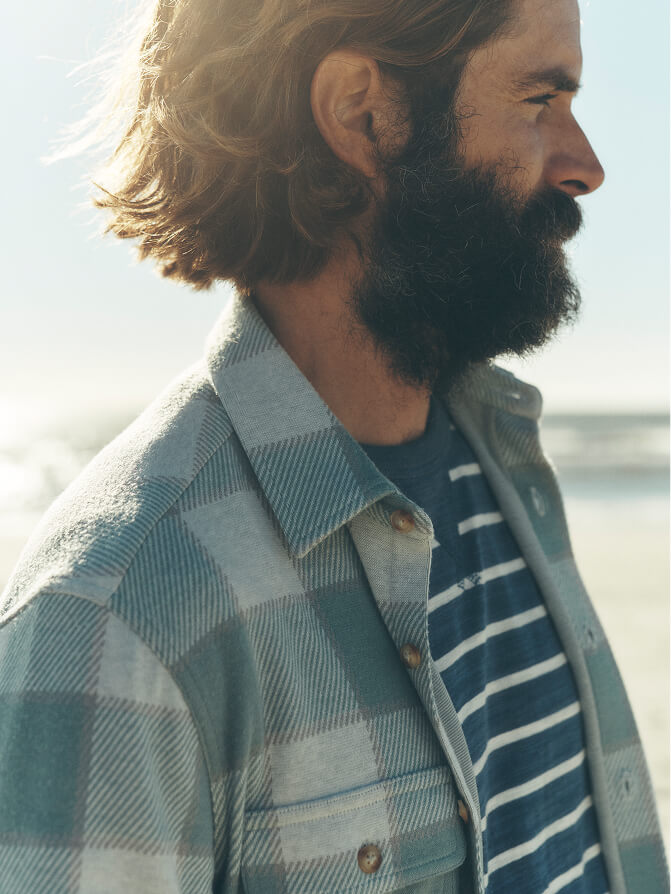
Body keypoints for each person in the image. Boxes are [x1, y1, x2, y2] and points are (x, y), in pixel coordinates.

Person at [0, 0, 667, 890]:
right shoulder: (119, 617)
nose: (585, 166)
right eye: (540, 99)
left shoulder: (500, 458)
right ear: (363, 113)